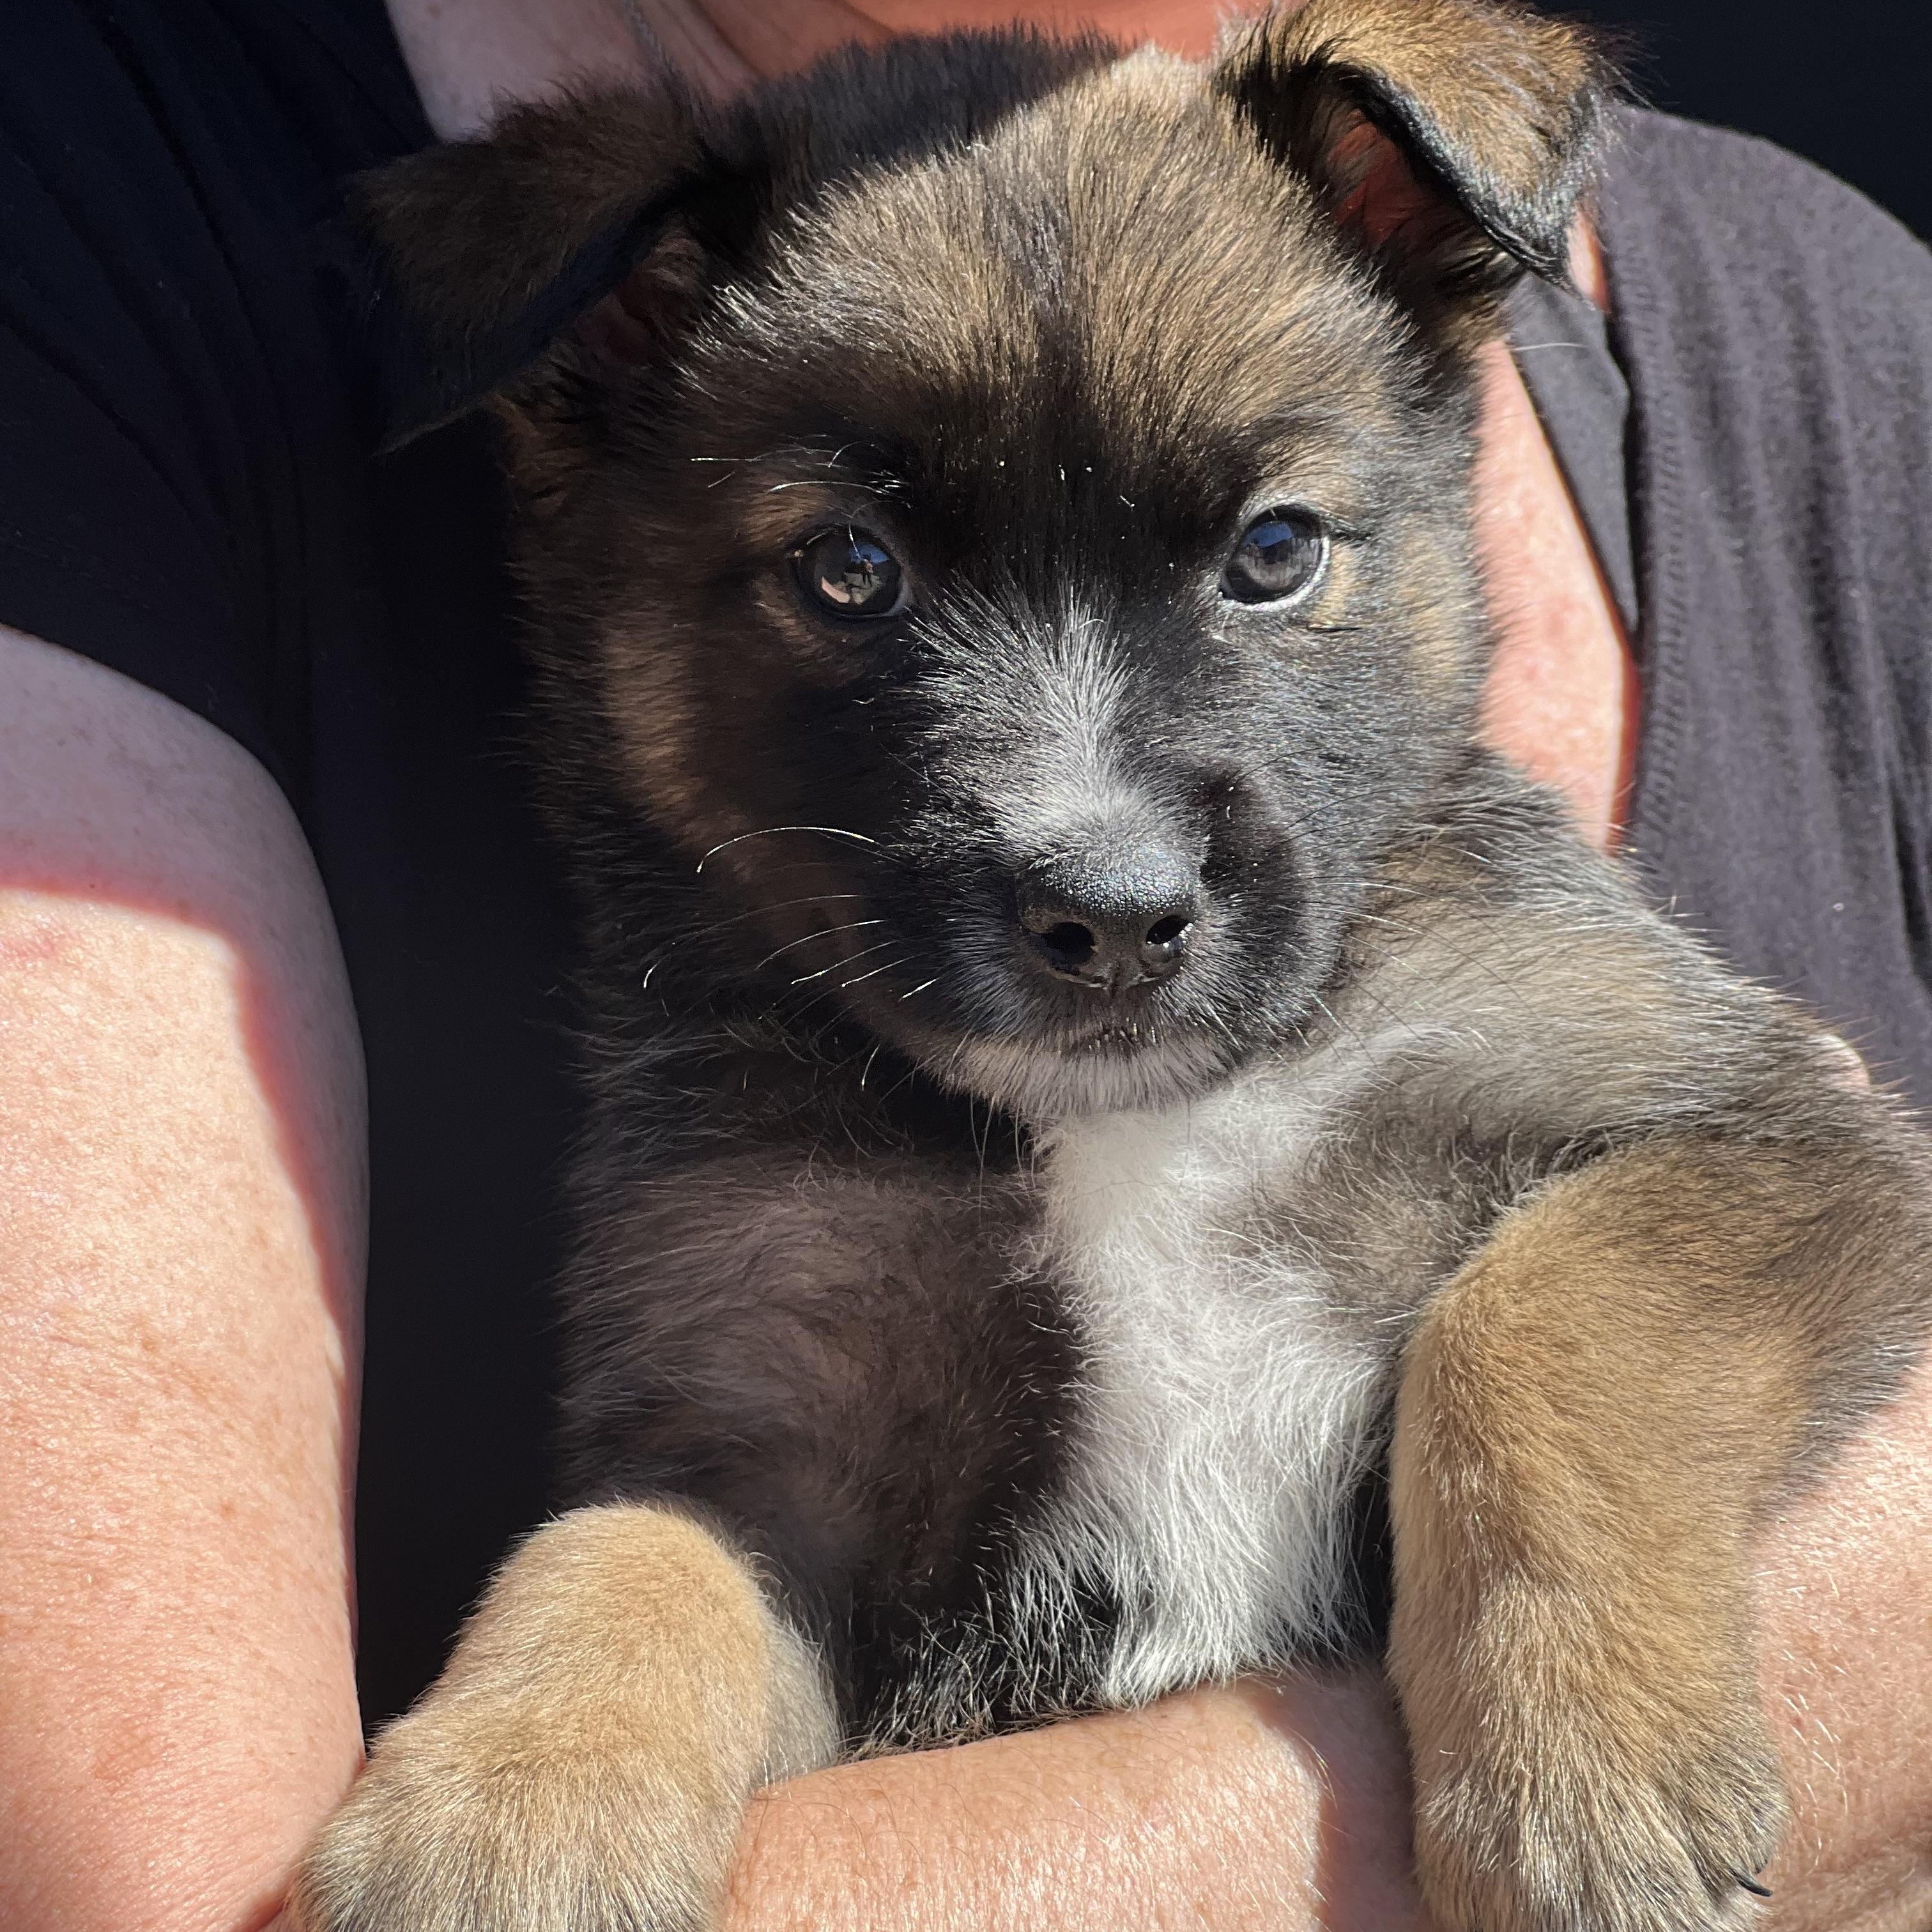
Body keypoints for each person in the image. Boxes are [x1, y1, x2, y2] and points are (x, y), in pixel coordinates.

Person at [1, 2, 1928, 1928]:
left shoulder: (1815, 342)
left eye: (1272, 554)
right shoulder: (109, 216)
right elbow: (760, 1544)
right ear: (597, 373)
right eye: (853, 574)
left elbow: (1787, 1180)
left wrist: (1564, 1485)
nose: (1094, 835)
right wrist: (605, 1667)